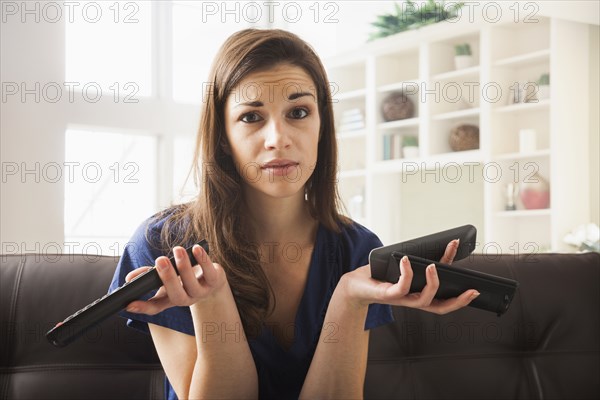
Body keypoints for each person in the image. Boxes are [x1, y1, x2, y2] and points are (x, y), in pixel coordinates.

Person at [109, 28, 479, 400]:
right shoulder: (162, 244)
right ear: (222, 135)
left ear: (321, 125)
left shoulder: (358, 250)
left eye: (298, 112)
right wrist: (212, 300)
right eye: (252, 117)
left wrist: (348, 299)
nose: (278, 138)